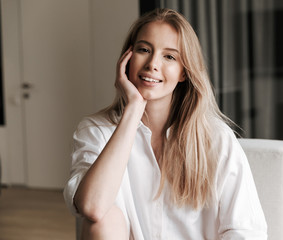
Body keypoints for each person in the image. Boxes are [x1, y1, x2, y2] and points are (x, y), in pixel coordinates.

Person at [64, 8, 267, 240]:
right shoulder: (96, 130)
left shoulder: (216, 138)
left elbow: (246, 230)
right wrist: (133, 110)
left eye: (169, 56)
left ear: (183, 72)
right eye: (144, 50)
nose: (152, 64)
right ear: (126, 59)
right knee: (101, 221)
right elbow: (92, 206)